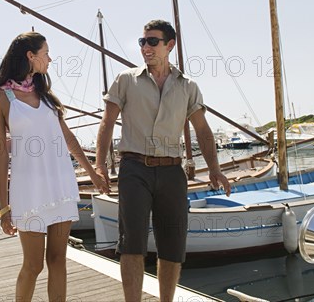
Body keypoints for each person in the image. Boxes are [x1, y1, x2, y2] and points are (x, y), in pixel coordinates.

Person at [95, 19, 232, 302]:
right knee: (131, 245)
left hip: (172, 172)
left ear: (170, 45)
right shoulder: (125, 80)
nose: (146, 47)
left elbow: (203, 130)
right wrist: (99, 165)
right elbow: (107, 123)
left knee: (172, 247)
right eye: (143, 42)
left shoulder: (187, 86)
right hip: (134, 169)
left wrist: (215, 169)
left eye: (153, 42)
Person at [0, 31, 110, 302]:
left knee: (58, 260)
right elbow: (1, 155)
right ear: (30, 56)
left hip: (60, 186)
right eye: (46, 54)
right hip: (29, 191)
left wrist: (92, 173)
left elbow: (68, 138)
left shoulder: (44, 94)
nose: (50, 59)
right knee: (33, 265)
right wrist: (4, 207)